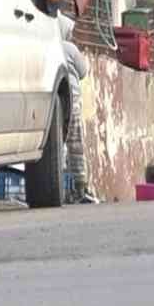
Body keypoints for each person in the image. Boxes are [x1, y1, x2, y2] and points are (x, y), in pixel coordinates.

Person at [59, 12, 99, 204]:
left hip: (55, 105)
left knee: (58, 144)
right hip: (72, 102)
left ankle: (58, 185)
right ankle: (80, 187)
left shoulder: (50, 47)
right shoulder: (70, 48)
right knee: (75, 145)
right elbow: (83, 72)